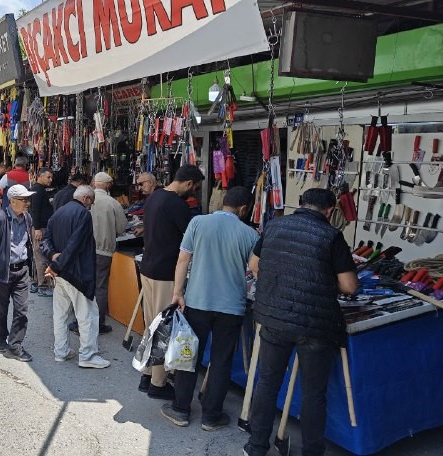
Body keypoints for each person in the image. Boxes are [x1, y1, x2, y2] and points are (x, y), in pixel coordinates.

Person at [244, 189, 358, 456]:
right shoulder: (332, 235)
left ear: (302, 204)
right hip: (315, 326)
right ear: (329, 211)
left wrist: (280, 281)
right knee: (313, 393)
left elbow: (254, 264)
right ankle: (312, 451)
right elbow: (349, 286)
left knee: (267, 382)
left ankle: (257, 446)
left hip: (274, 318)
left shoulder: (273, 226)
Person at [161, 186, 258, 430]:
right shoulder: (250, 234)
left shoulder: (197, 223)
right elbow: (256, 271)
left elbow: (183, 259)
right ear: (244, 209)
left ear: (224, 202)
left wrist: (177, 293)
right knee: (222, 361)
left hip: (197, 303)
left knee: (189, 356)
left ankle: (181, 410)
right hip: (232, 307)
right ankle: (211, 417)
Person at [138, 164, 204, 398]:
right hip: (165, 272)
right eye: (195, 188)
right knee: (164, 327)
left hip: (148, 268)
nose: (194, 193)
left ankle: (147, 374)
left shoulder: (155, 197)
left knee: (152, 324)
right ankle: (158, 383)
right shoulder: (177, 204)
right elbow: (191, 240)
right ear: (188, 183)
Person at [42, 185, 110, 369]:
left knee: (60, 314)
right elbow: (75, 244)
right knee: (87, 315)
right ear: (86, 198)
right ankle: (88, 355)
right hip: (77, 272)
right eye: (91, 202)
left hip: (62, 272)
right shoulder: (83, 215)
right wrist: (56, 264)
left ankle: (61, 351)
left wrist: (53, 257)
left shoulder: (58, 213)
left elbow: (46, 240)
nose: (91, 206)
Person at [0, 184, 36, 362]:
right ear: (12, 201)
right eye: (24, 200)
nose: (27, 203)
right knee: (1, 309)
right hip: (2, 271)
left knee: (22, 310)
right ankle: (1, 337)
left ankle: (15, 345)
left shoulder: (27, 218)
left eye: (28, 199)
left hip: (21, 271)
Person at [91, 172, 128, 334]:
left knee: (84, 285)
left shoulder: (84, 199)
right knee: (100, 287)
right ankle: (98, 323)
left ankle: (80, 322)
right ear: (107, 185)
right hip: (103, 251)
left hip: (84, 251)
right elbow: (121, 229)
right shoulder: (113, 203)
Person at [29, 168, 54, 297]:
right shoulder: (38, 190)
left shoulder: (37, 189)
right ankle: (42, 285)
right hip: (40, 228)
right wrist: (37, 228)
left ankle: (37, 282)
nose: (51, 180)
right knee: (42, 256)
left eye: (51, 177)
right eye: (48, 177)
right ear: (40, 176)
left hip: (41, 227)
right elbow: (35, 210)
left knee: (39, 255)